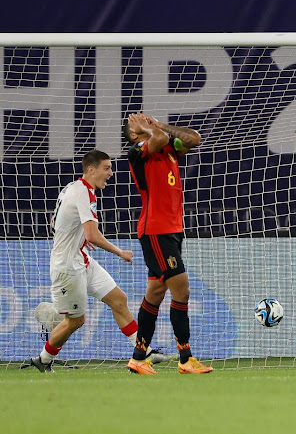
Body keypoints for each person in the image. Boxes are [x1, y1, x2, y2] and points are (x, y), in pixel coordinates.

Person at [24, 150, 169, 372]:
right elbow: (92, 234)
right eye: (106, 168)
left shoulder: (72, 188)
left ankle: (143, 352)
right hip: (67, 267)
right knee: (76, 322)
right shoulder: (84, 194)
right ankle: (42, 360)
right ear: (91, 170)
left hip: (82, 259)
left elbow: (55, 221)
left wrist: (79, 237)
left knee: (119, 299)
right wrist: (119, 252)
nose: (110, 173)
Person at [123, 113, 213, 375]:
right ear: (134, 135)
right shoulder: (138, 151)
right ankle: (186, 358)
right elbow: (159, 138)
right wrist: (150, 130)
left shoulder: (169, 149)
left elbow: (194, 138)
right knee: (181, 290)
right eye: (140, 124)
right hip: (156, 230)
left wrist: (158, 125)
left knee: (155, 292)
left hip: (172, 230)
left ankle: (139, 358)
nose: (150, 123)